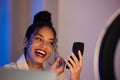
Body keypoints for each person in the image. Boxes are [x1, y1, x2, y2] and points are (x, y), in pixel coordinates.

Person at [3, 11, 83, 80]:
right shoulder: (8, 72)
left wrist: (75, 77)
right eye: (39, 39)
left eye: (50, 43)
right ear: (26, 41)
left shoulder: (58, 75)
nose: (44, 46)